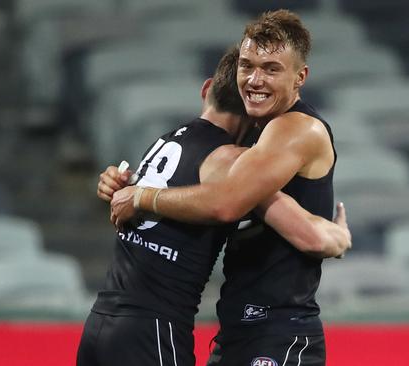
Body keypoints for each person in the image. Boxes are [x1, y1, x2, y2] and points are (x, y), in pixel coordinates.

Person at [78, 47, 350, 366]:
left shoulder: (164, 142)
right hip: (155, 330)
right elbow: (309, 236)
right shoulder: (231, 162)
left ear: (207, 89)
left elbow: (132, 212)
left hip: (99, 324)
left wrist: (123, 188)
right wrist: (340, 236)